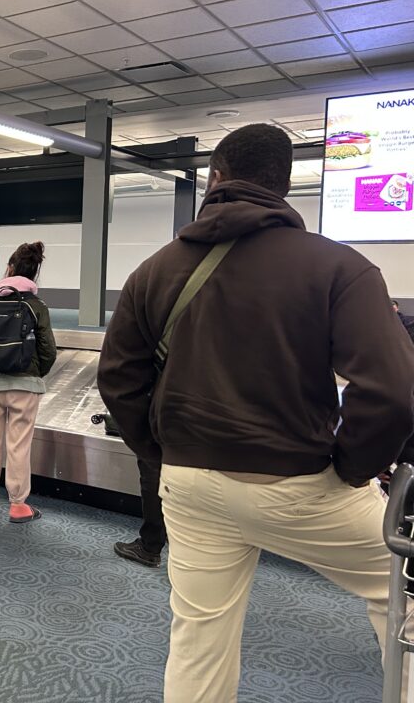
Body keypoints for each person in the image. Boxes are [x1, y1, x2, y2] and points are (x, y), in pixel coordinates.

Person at [97, 123, 414, 703]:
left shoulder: (155, 270)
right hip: (301, 485)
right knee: (404, 591)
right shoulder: (342, 269)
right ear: (285, 186)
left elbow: (117, 380)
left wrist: (166, 453)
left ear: (215, 177)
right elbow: (395, 389)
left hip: (191, 487)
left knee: (199, 637)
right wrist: (350, 466)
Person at [0, 242, 56, 523]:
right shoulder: (36, 306)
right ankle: (18, 504)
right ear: (34, 273)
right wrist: (35, 373)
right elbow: (48, 349)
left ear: (9, 268)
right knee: (19, 444)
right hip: (24, 384)